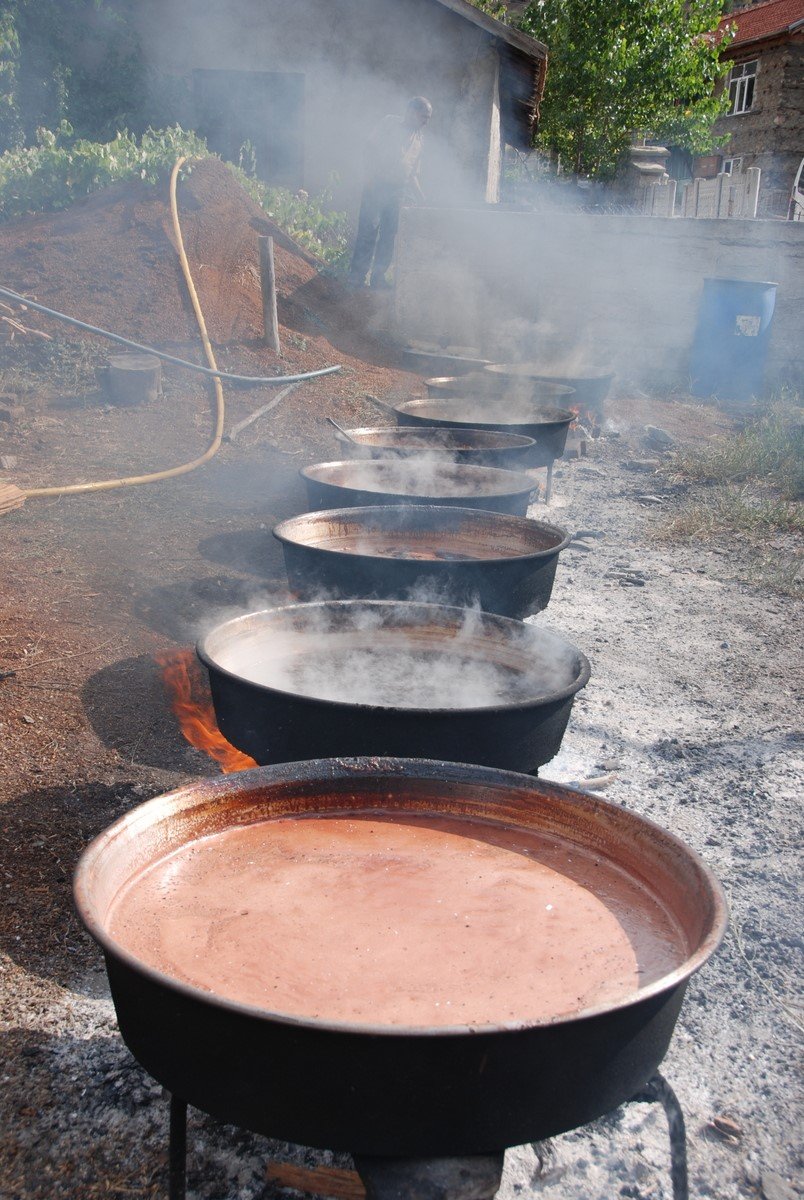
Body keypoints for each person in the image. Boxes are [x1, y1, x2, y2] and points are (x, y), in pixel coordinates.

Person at [348, 96, 432, 290]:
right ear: (411, 112)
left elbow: (412, 174)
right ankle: (356, 279)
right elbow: (368, 149)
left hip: (398, 192)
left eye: (428, 118)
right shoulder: (389, 123)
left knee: (389, 237)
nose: (426, 122)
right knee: (368, 232)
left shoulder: (420, 140)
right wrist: (368, 178)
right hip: (376, 186)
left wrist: (422, 198)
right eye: (424, 116)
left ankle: (378, 279)